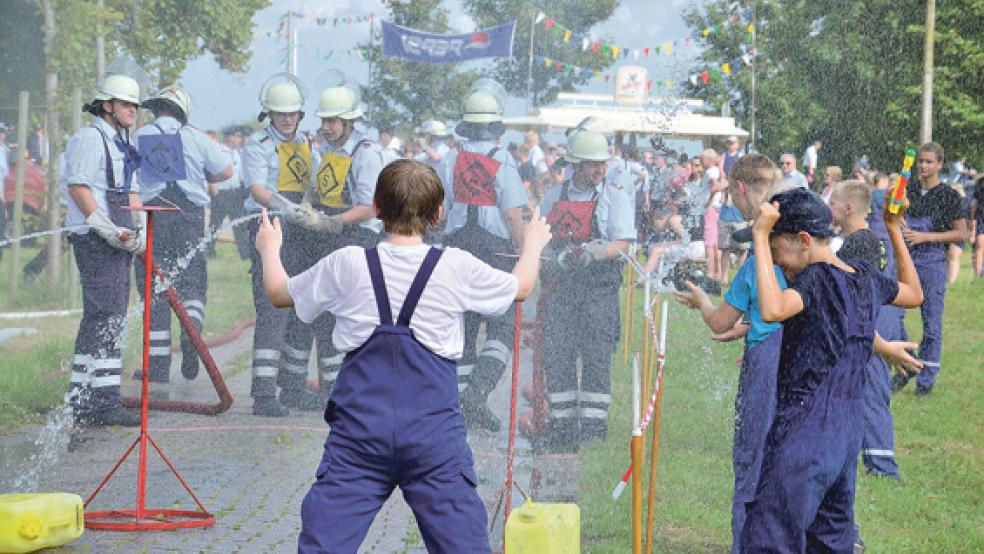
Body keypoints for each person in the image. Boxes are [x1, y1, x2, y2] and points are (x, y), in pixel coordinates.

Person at [253, 159, 550, 552]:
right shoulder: (455, 266)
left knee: (324, 544)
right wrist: (532, 245)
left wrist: (270, 249)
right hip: (434, 442)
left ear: (376, 209)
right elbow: (521, 287)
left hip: (358, 440)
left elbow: (278, 293)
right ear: (438, 214)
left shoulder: (347, 263)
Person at [740, 188, 922, 553]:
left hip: (804, 427)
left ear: (803, 240)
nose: (777, 265)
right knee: (830, 540)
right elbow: (914, 293)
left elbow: (773, 309)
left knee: (771, 536)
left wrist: (760, 235)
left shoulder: (815, 278)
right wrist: (892, 228)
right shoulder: (864, 277)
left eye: (777, 252)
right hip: (846, 433)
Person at [673, 154, 788, 552]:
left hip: (764, 365)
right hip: (795, 362)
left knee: (751, 463)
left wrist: (703, 302)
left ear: (739, 188)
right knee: (783, 459)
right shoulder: (793, 243)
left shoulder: (758, 255)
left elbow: (720, 320)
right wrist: (748, 328)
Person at [278, 81, 388, 407]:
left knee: (341, 316)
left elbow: (371, 207)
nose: (326, 127)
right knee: (311, 311)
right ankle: (295, 387)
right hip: (326, 235)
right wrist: (309, 207)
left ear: (348, 122)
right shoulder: (327, 150)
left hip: (355, 237)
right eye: (324, 121)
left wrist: (333, 222)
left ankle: (339, 390)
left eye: (332, 122)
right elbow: (318, 187)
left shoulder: (365, 153)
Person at [537, 127, 635, 452]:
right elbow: (541, 240)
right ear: (575, 165)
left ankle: (593, 430)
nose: (599, 170)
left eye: (602, 164)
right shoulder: (554, 196)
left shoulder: (614, 197)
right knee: (560, 356)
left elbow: (623, 244)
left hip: (598, 293)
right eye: (592, 164)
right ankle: (562, 425)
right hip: (562, 292)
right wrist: (554, 257)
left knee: (595, 359)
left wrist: (595, 252)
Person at [439, 79, 527, 432]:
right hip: (496, 251)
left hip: (458, 248)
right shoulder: (503, 159)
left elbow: (440, 212)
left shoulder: (450, 158)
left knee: (463, 326)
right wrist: (524, 252)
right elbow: (512, 214)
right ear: (495, 126)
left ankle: (462, 407)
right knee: (502, 327)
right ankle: (476, 394)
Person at [63, 74, 147, 426]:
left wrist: (139, 227)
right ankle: (102, 402)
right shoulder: (89, 137)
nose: (132, 110)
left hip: (118, 236)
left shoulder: (121, 143)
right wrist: (104, 226)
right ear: (107, 106)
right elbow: (79, 188)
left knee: (105, 316)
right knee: (107, 316)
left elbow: (130, 191)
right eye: (125, 104)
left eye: (134, 105)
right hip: (95, 238)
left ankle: (85, 396)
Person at [133, 85, 232, 382]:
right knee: (192, 283)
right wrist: (201, 173)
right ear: (183, 112)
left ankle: (157, 368)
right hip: (188, 217)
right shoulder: (196, 137)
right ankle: (193, 334)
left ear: (156, 109)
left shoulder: (140, 136)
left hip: (153, 218)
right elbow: (226, 172)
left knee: (153, 289)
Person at [829, 180, 921, 479]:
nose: (828, 208)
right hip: (871, 327)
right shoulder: (863, 240)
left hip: (869, 327)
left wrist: (878, 342)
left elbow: (858, 299)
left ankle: (882, 464)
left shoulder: (862, 243)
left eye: (832, 203)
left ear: (847, 207)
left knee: (872, 390)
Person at [241, 74, 317, 416]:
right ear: (268, 114)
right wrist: (287, 208)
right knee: (273, 309)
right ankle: (263, 394)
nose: (287, 119)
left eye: (292, 113)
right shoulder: (257, 145)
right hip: (268, 225)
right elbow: (258, 189)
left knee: (302, 307)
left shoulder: (307, 143)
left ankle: (293, 386)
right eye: (280, 113)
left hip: (301, 229)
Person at [892, 142, 967, 396]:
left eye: (929, 162)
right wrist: (898, 217)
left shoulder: (950, 195)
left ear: (940, 164)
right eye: (921, 161)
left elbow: (961, 233)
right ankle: (908, 363)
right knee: (892, 314)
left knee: (931, 323)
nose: (923, 166)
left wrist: (926, 237)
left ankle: (926, 380)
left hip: (933, 261)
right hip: (906, 258)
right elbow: (894, 213)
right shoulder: (909, 188)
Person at [208, 125, 246, 259]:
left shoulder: (237, 153)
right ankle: (209, 252)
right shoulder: (218, 151)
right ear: (230, 137)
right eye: (237, 136)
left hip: (235, 192)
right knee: (215, 224)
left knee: (239, 223)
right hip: (221, 192)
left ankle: (244, 253)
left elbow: (240, 173)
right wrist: (213, 189)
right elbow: (209, 170)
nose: (239, 139)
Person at [974, 175, 984, 278]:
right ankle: (977, 276)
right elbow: (976, 203)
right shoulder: (981, 183)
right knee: (980, 247)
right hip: (982, 218)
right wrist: (972, 219)